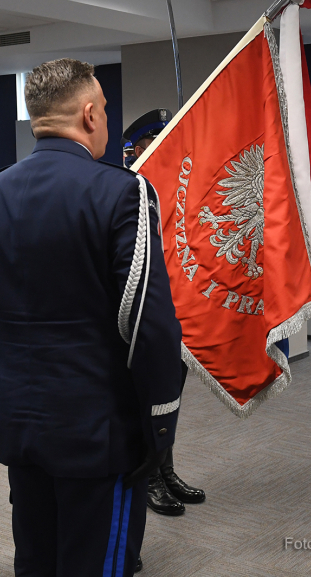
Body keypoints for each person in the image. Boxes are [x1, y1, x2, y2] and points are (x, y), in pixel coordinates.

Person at [0, 59, 184, 577]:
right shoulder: (122, 191)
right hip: (99, 433)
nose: (105, 117)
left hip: (19, 423)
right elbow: (147, 323)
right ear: (88, 114)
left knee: (36, 559)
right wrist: (159, 423)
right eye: (103, 107)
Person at [122, 108, 206, 518]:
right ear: (138, 150)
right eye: (154, 142)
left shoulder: (176, 190)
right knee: (147, 401)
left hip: (177, 311)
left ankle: (166, 470)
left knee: (170, 398)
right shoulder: (127, 192)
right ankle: (150, 477)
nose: (162, 149)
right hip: (143, 317)